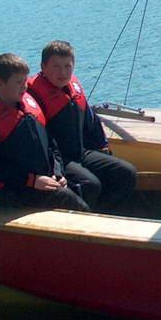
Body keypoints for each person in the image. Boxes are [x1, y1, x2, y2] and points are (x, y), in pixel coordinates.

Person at [0, 53, 90, 212]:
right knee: (73, 202)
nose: (24, 87)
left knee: (88, 186)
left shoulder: (29, 110)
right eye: (19, 82)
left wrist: (58, 173)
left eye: (25, 81)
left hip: (41, 178)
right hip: (12, 188)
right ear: (0, 83)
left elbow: (51, 145)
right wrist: (32, 181)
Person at [27, 40, 137, 211]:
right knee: (90, 184)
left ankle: (104, 212)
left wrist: (102, 147)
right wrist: (55, 171)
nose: (63, 73)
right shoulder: (34, 97)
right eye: (56, 67)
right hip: (59, 161)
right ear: (43, 67)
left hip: (81, 152)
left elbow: (91, 122)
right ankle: (84, 217)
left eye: (67, 66)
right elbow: (39, 141)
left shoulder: (73, 88)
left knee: (127, 172)